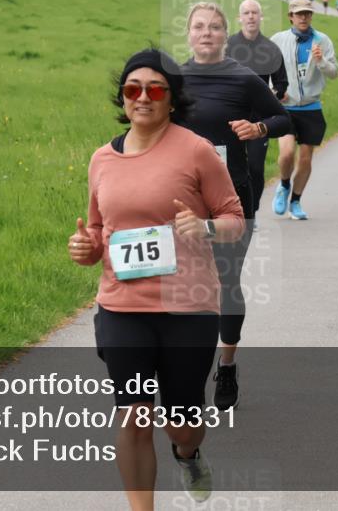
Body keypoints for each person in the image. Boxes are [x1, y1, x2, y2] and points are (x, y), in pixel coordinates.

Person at [69, 48, 245, 508]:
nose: (142, 97)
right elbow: (95, 230)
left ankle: (187, 453)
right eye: (132, 89)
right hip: (123, 307)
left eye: (154, 89)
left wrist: (204, 226)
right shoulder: (101, 160)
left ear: (171, 99)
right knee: (133, 415)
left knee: (182, 421)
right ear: (123, 99)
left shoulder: (196, 150)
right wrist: (86, 248)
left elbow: (234, 219)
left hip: (187, 307)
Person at [182, 1, 291, 412]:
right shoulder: (174, 79)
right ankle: (186, 367)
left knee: (225, 283)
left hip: (231, 196)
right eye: (198, 26)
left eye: (213, 27)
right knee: (185, 286)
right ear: (189, 34)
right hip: (183, 201)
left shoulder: (242, 79)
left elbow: (283, 119)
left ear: (223, 35)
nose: (206, 33)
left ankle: (225, 364)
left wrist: (258, 127)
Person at [269, 0, 338, 220]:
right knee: (287, 152)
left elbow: (334, 72)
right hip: (285, 107)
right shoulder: (278, 40)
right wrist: (275, 91)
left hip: (311, 106)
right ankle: (283, 185)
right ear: (291, 16)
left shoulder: (322, 40)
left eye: (307, 13)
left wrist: (321, 62)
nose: (303, 17)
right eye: (299, 13)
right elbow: (266, 69)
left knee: (306, 159)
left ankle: (296, 202)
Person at [227, 0, 290, 216]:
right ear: (240, 18)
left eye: (254, 12)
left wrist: (269, 97)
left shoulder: (270, 49)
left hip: (258, 119)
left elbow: (281, 83)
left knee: (254, 167)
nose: (251, 16)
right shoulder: (228, 45)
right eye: (246, 13)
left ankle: (251, 212)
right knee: (228, 168)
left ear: (260, 17)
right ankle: (231, 210)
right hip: (230, 117)